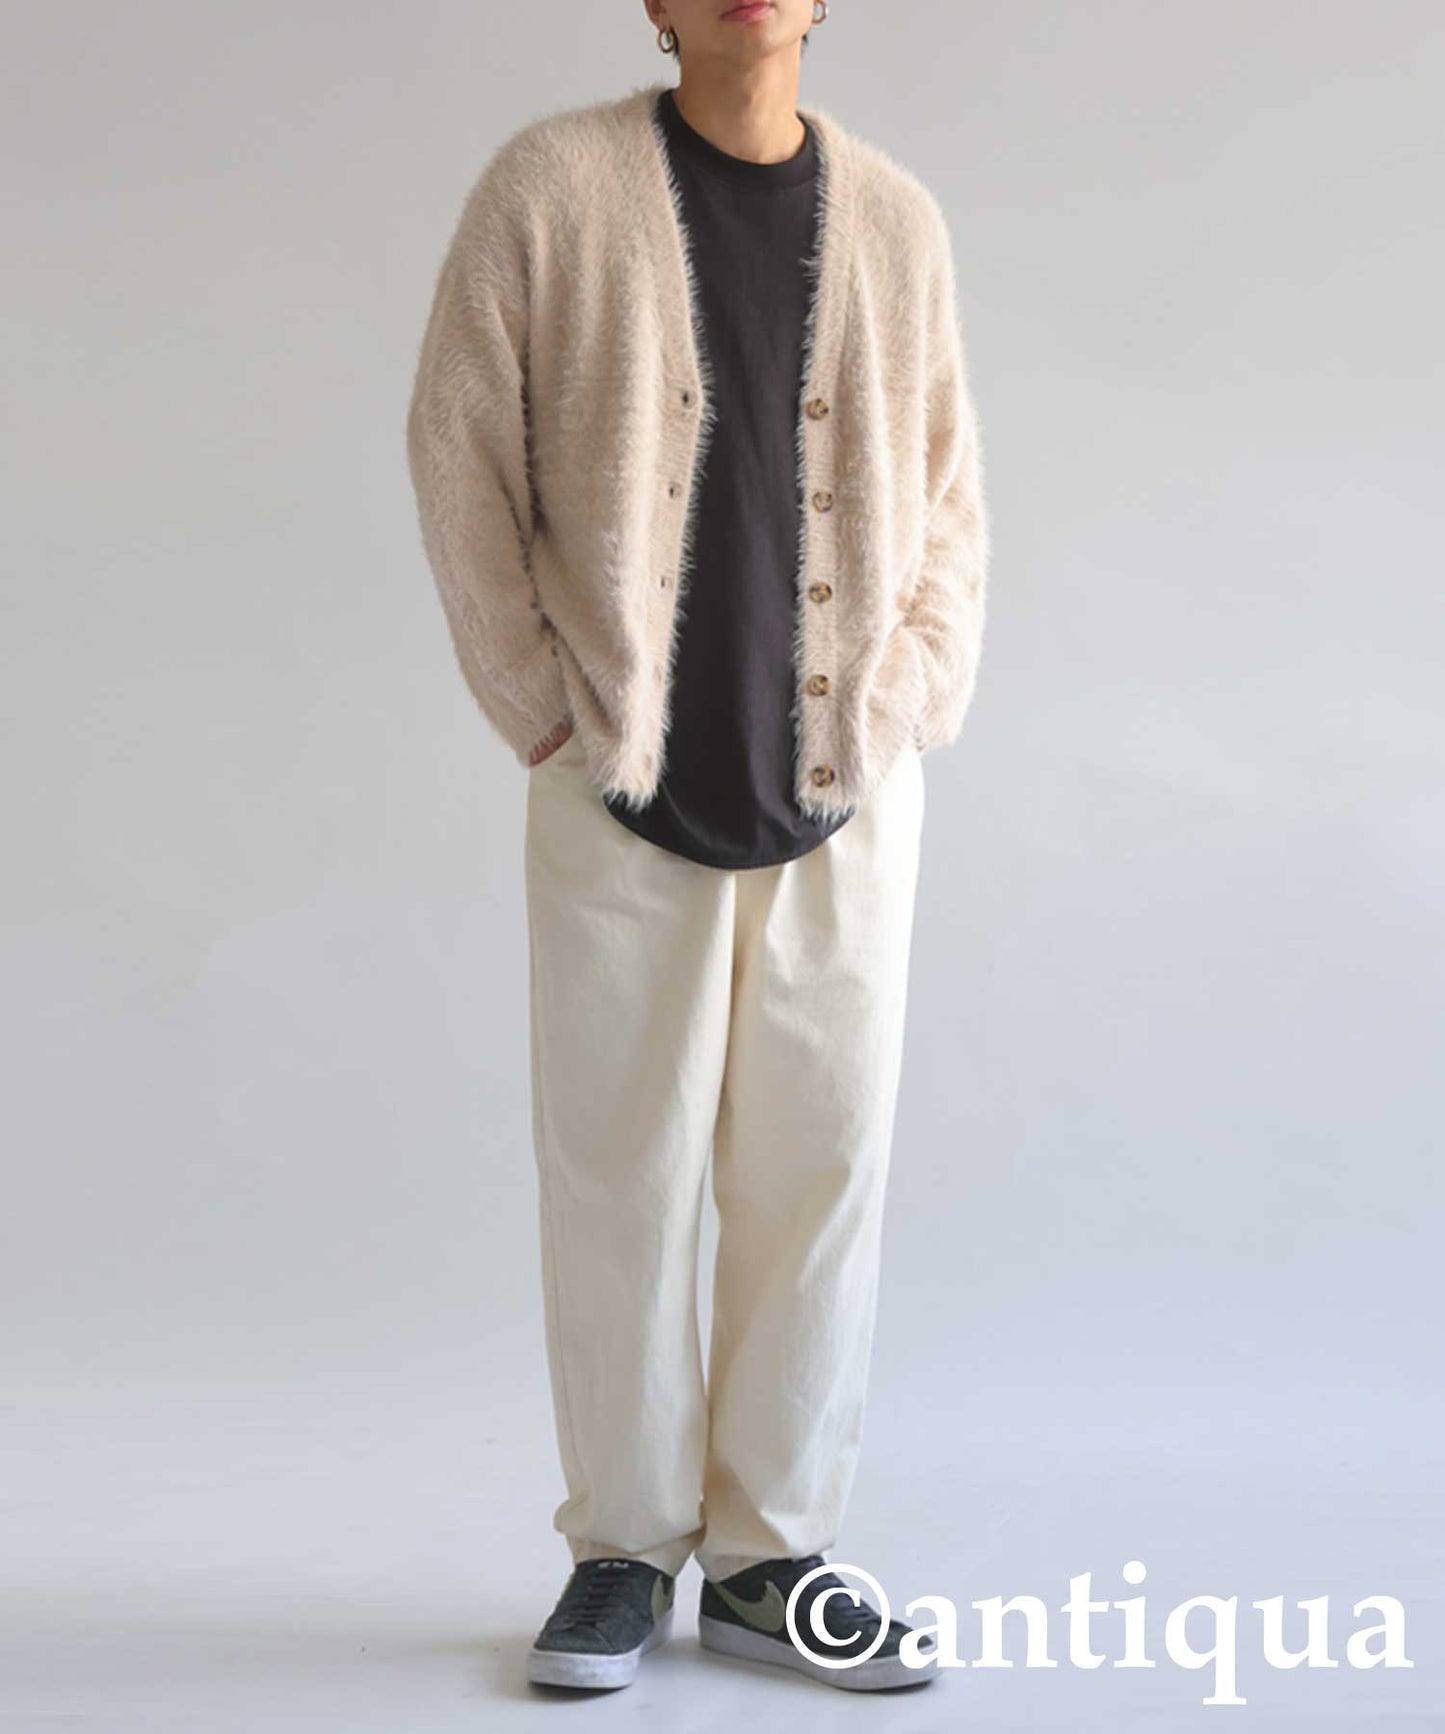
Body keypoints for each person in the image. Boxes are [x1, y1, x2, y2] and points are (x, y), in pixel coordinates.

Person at [406, 0, 989, 1694]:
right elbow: (456, 445)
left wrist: (905, 699)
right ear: (652, 7)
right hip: (621, 782)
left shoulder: (895, 218)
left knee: (820, 1175)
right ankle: (620, 1546)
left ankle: (769, 1557)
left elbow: (949, 491)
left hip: (841, 788)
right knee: (619, 1175)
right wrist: (541, 705)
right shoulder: (549, 189)